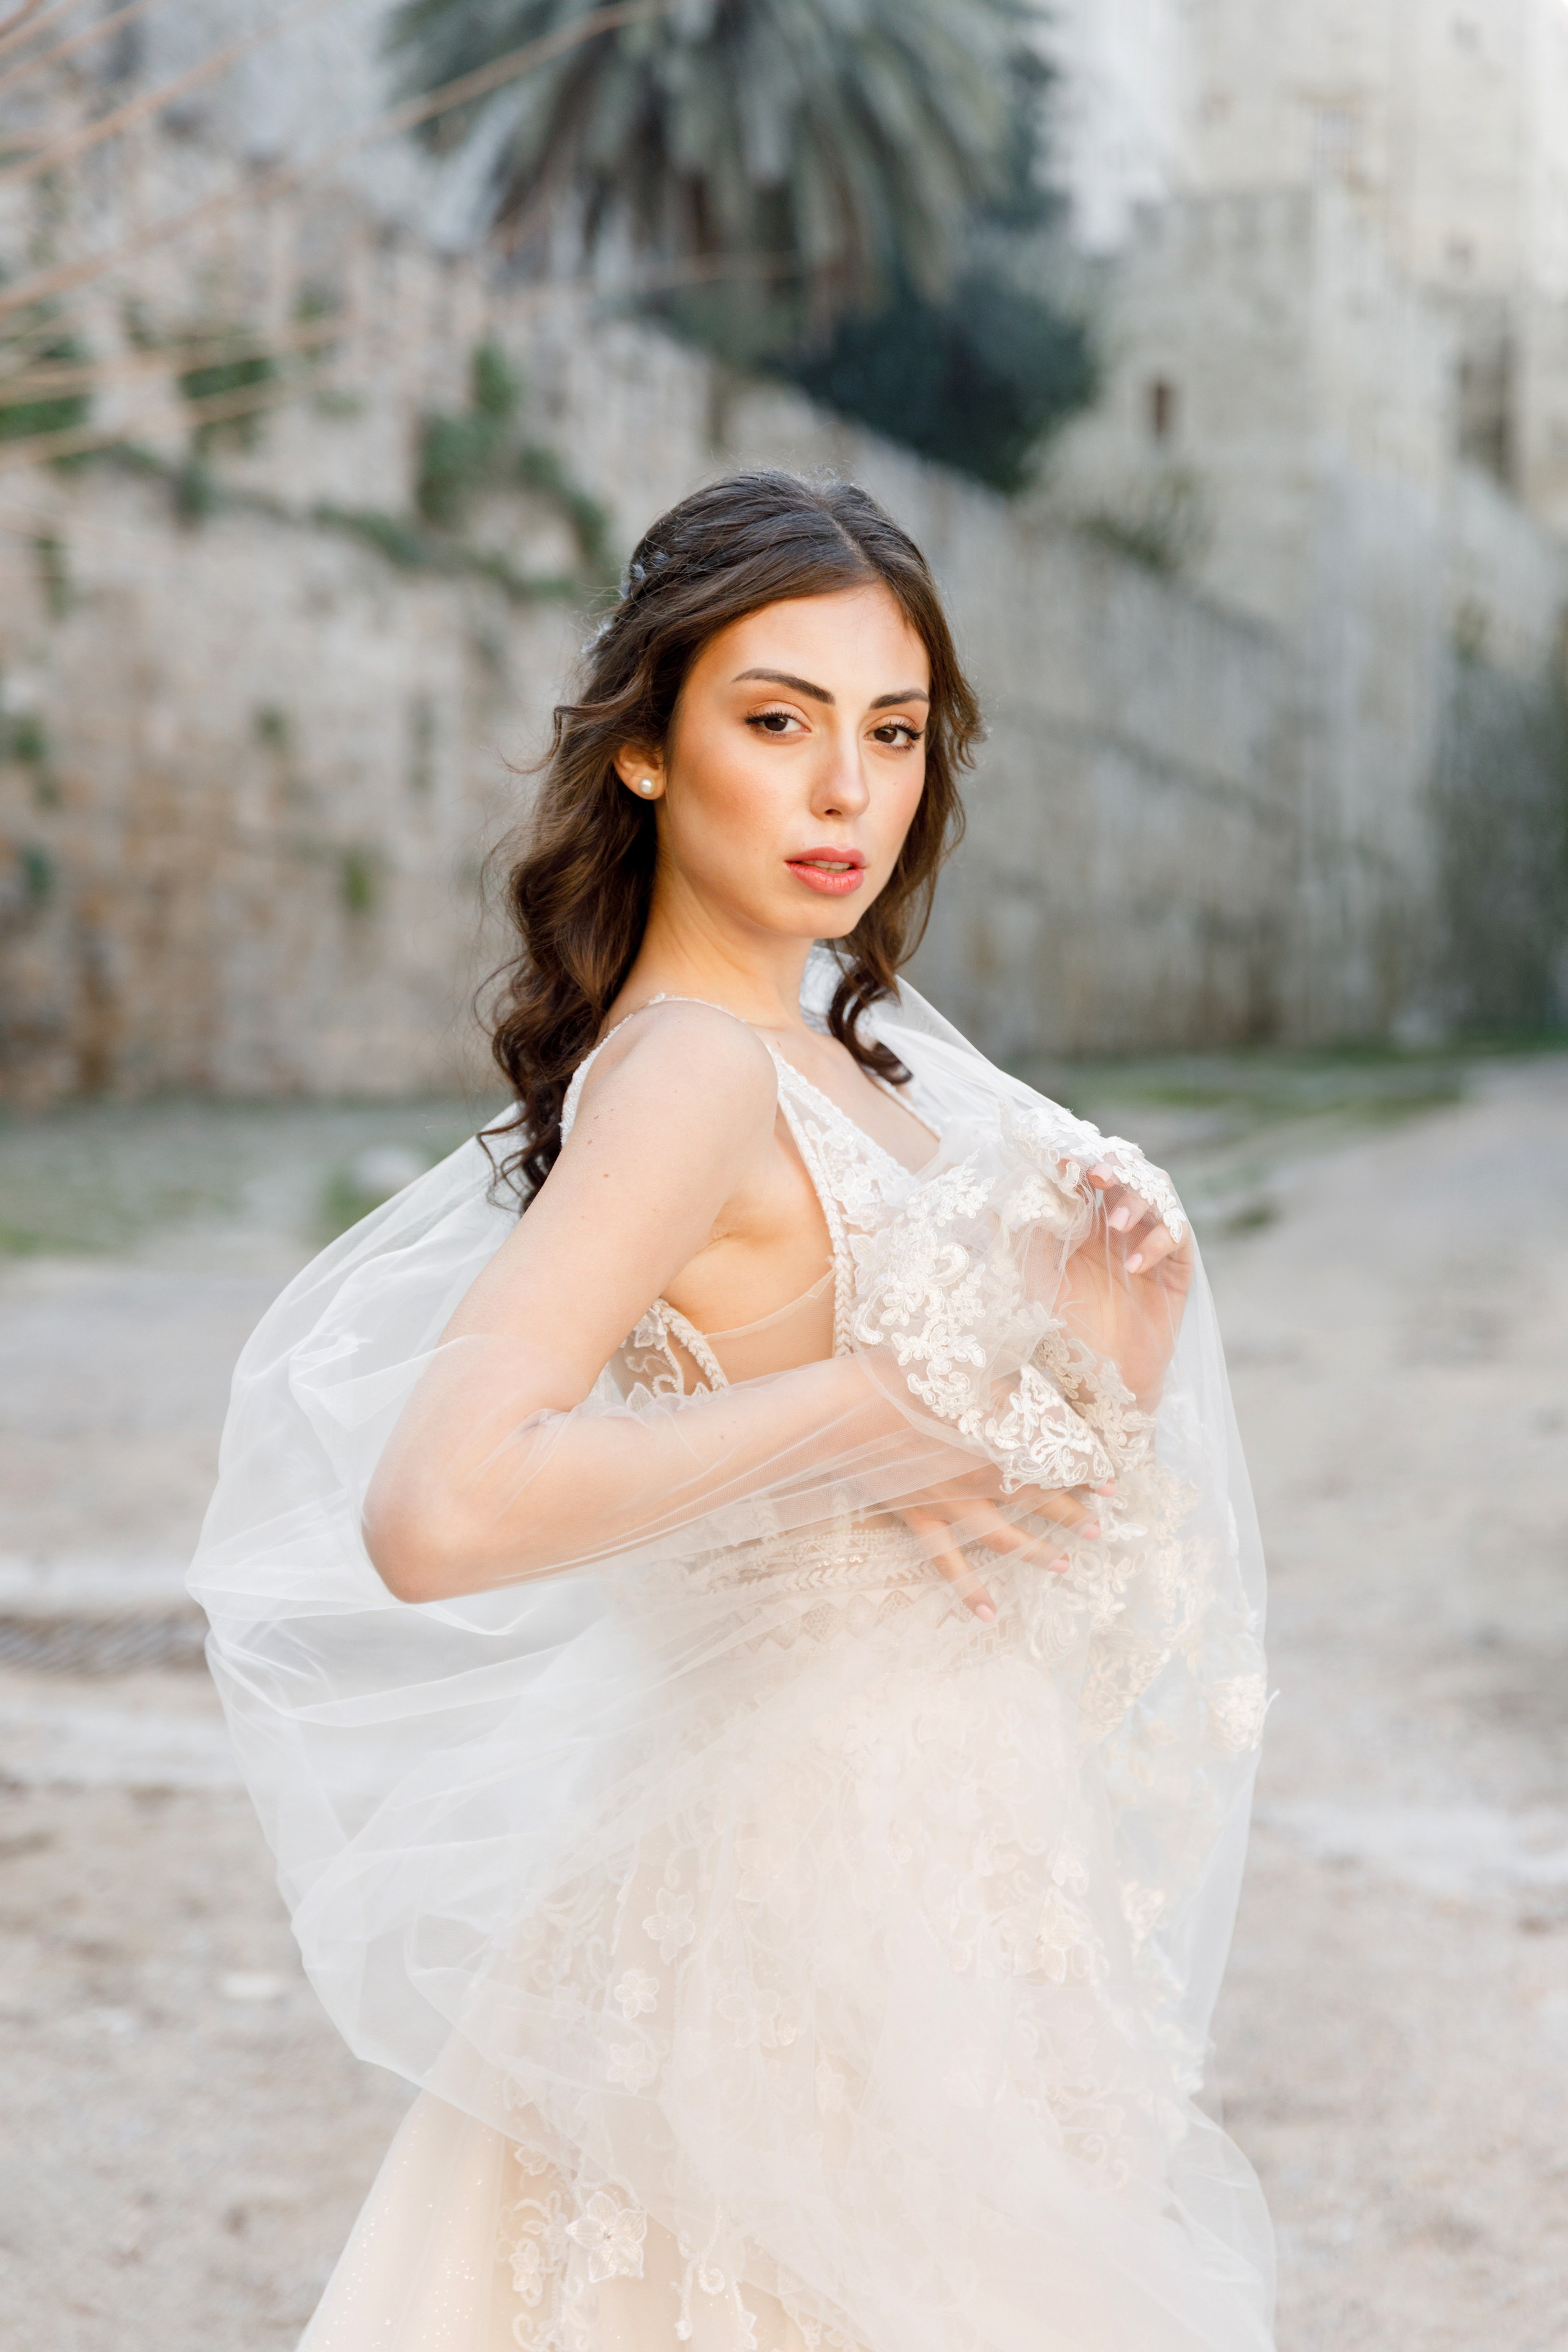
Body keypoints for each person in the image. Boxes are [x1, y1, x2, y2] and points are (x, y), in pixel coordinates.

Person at [191, 470, 1274, 2351]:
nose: (848, 789)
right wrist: (873, 1401)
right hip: (787, 1895)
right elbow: (437, 1510)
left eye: (894, 732)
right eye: (777, 723)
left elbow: (1002, 1528)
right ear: (647, 751)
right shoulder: (690, 1073)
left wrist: (1112, 1346)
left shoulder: (859, 1072)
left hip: (963, 1877)